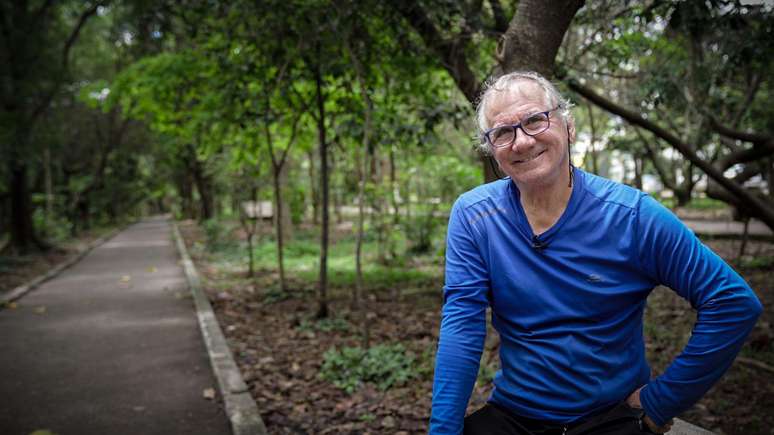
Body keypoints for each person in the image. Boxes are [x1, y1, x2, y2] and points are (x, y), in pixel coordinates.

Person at [430, 71, 762, 435]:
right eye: (503, 132)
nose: (522, 141)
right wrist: (443, 430)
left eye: (535, 120)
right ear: (491, 148)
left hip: (611, 416)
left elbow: (732, 302)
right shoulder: (475, 216)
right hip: (514, 414)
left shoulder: (632, 216)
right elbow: (462, 325)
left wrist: (661, 401)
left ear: (569, 127)